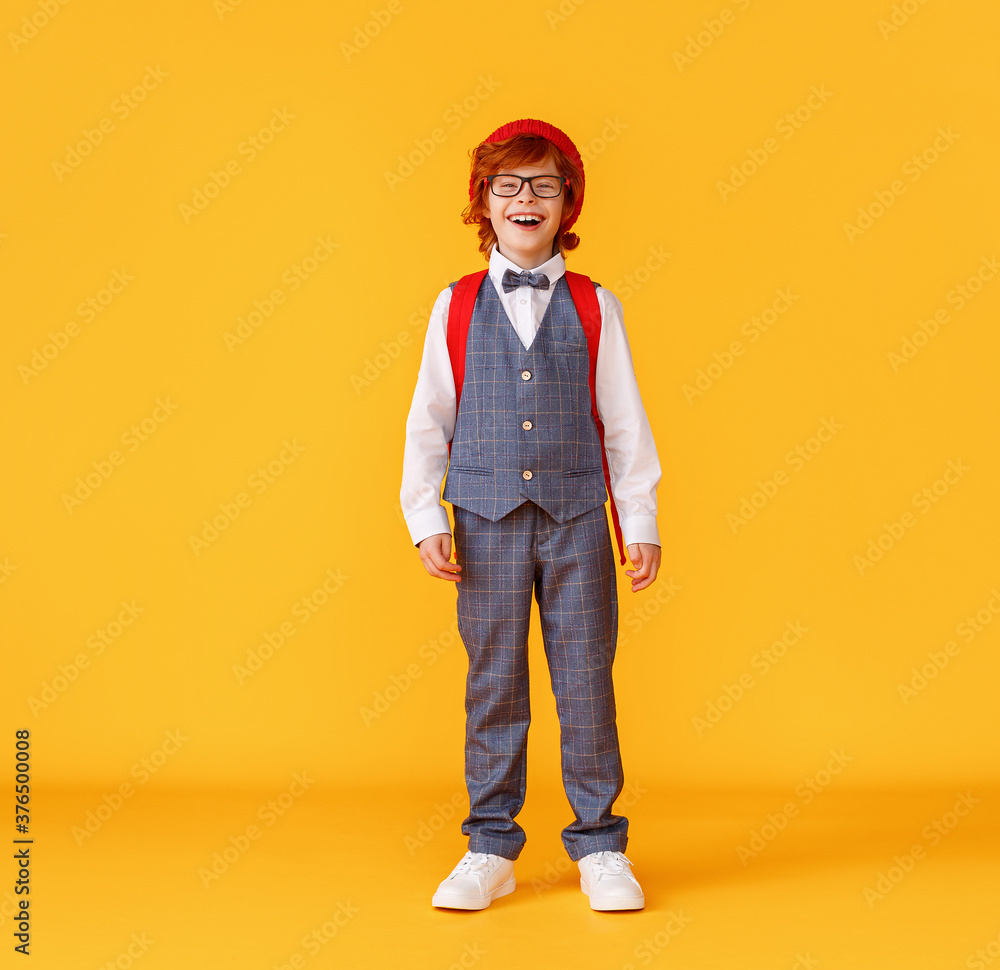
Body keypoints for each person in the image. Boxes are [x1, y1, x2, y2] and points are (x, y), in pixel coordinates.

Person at [399, 118, 662, 911]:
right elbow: (429, 419)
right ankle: (490, 845)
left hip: (579, 516)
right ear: (484, 200)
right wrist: (426, 515)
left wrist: (638, 523)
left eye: (543, 184)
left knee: (586, 680)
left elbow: (623, 421)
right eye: (508, 184)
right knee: (495, 685)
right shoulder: (454, 305)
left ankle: (599, 846)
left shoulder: (594, 304)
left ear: (567, 202)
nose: (526, 198)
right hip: (482, 520)